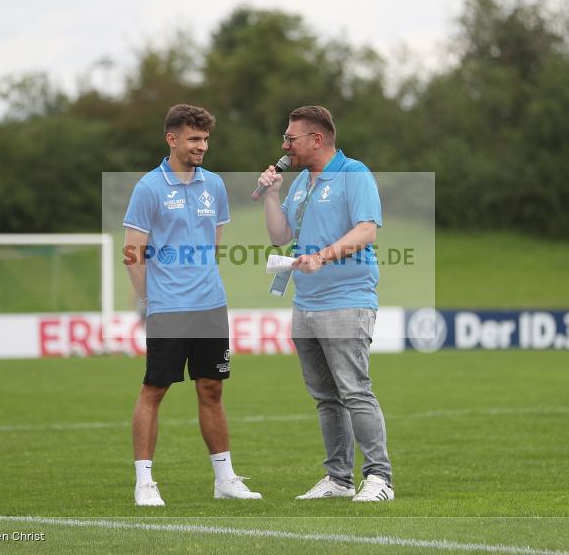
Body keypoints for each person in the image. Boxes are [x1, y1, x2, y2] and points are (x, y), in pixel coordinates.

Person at [123, 103, 261, 506]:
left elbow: (214, 245)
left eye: (205, 139)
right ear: (172, 139)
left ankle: (225, 479)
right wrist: (152, 298)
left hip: (211, 305)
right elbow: (132, 252)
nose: (202, 146)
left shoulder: (214, 185)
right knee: (155, 388)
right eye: (194, 139)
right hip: (167, 308)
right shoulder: (148, 188)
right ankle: (145, 483)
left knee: (212, 388)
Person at [257, 105, 394, 502]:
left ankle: (379, 478)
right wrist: (271, 195)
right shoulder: (300, 182)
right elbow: (279, 236)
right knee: (325, 397)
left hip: (347, 300)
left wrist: (323, 256)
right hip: (306, 302)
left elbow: (367, 230)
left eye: (291, 138)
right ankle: (338, 479)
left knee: (354, 391)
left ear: (317, 139)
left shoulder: (354, 174)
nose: (285, 145)